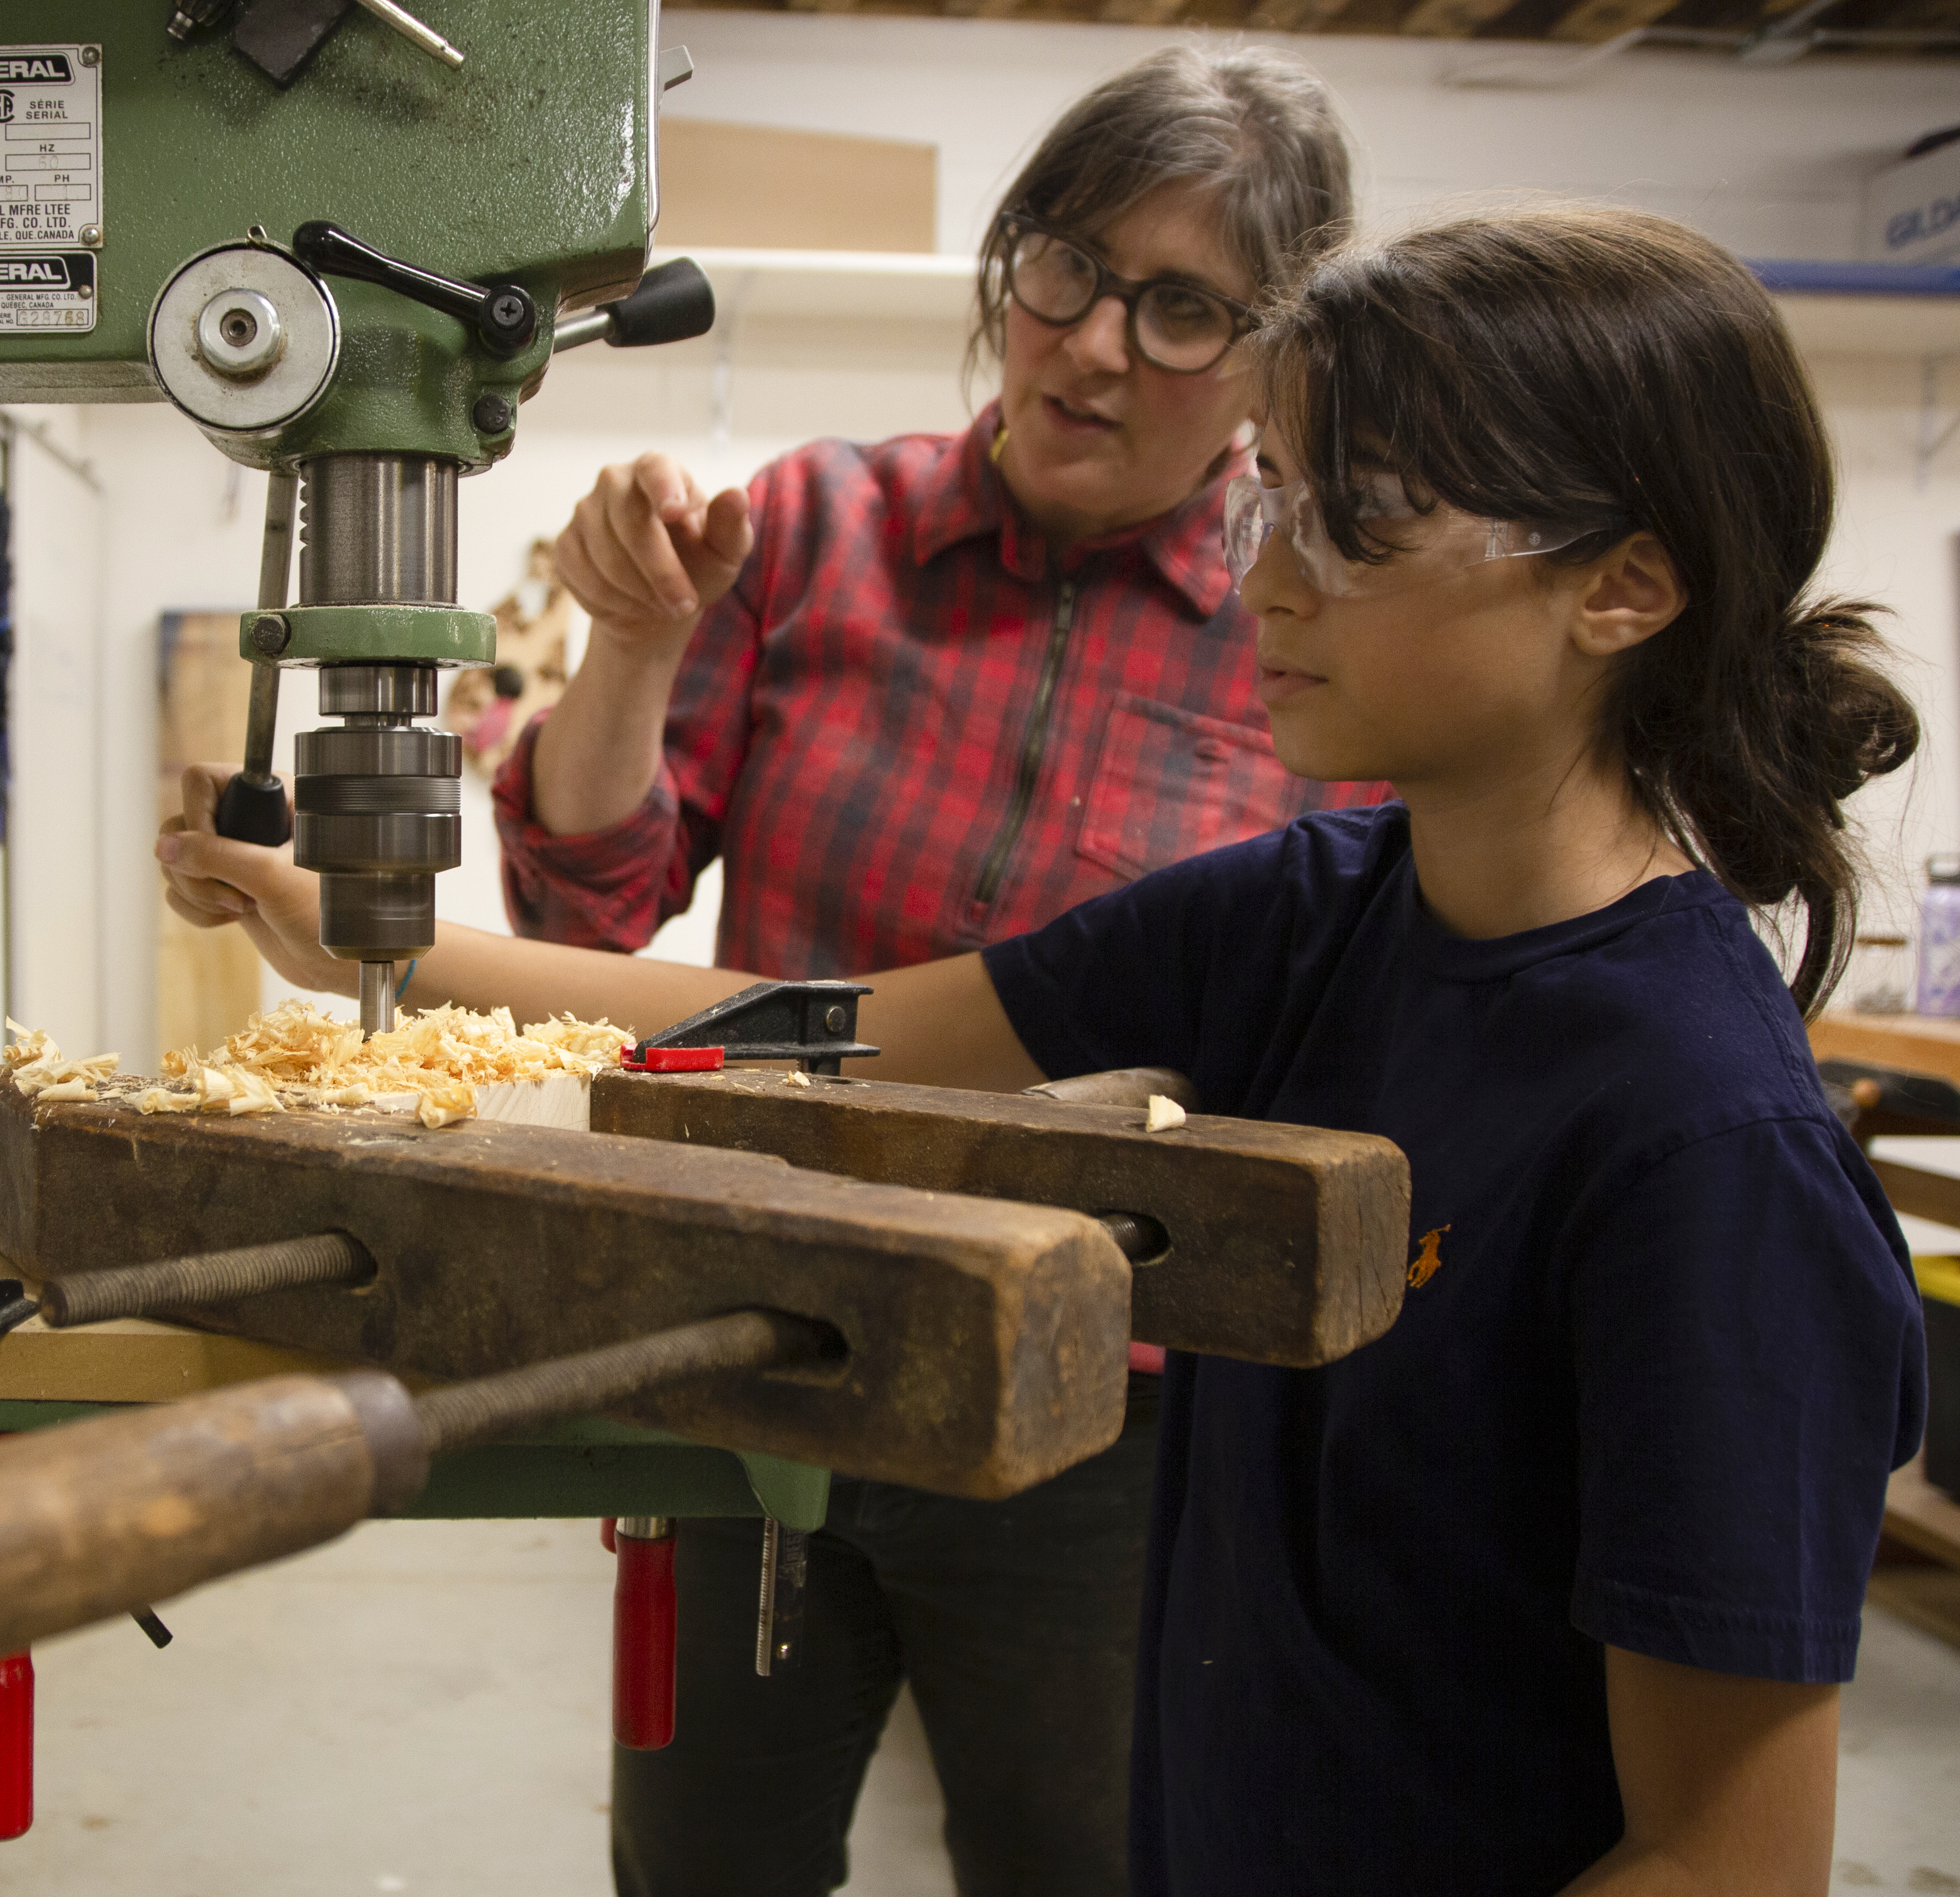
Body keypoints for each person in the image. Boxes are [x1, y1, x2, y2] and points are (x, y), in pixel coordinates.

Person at [159, 203, 1930, 1894]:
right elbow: (834, 1040)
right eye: (1279, 507)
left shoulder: (1706, 1157)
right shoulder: (1308, 913)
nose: (1275, 585)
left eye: (1361, 523)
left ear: (1624, 588)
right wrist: (372, 939)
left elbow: (1725, 1860)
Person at [494, 44, 1376, 1897]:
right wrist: (635, 651)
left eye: (1184, 306)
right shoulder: (819, 532)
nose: (1093, 344)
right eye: (1063, 266)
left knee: (1089, 1863)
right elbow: (587, 909)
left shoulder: (1303, 641)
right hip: (755, 1340)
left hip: (1110, 1405)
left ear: (1276, 354)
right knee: (706, 1864)